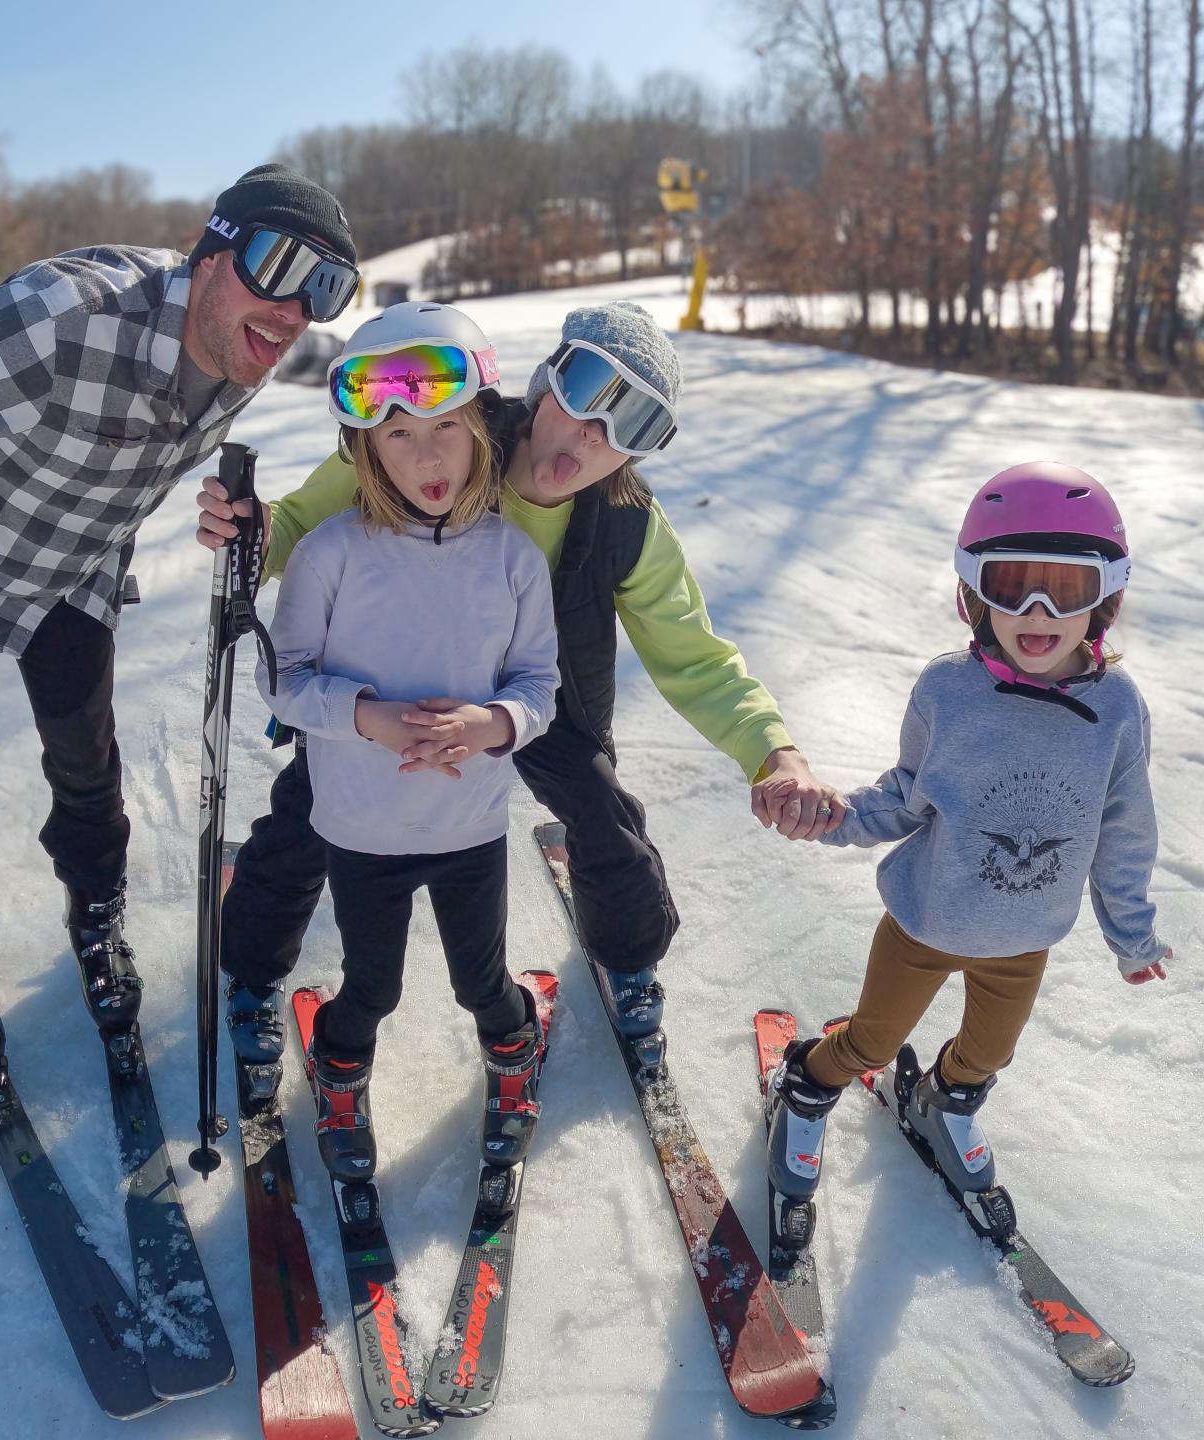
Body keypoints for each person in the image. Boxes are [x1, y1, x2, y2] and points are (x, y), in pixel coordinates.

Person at [0, 164, 359, 1073]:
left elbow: (363, 390)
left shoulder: (247, 352)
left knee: (89, 762)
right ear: (211, 251)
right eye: (279, 265)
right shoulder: (64, 315)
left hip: (71, 571)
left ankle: (96, 914)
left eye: (324, 290)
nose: (292, 312)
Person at [197, 300, 843, 1056]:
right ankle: (251, 965)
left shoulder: (627, 523)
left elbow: (695, 657)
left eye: (631, 424)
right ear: (546, 383)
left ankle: (627, 958)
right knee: (316, 807)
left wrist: (776, 754)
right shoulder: (444, 422)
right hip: (397, 686)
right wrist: (251, 531)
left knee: (602, 814)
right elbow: (307, 525)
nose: (593, 434)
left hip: (534, 694)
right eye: (587, 392)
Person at [764, 463, 1172, 1213]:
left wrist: (1132, 935)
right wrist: (830, 818)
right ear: (974, 591)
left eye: (1068, 588)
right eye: (1012, 583)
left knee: (988, 1055)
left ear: (1105, 598)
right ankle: (806, 1086)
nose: (1038, 609)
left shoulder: (1116, 709)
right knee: (869, 1045)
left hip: (1025, 941)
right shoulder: (948, 690)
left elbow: (1124, 829)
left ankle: (944, 1103)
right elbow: (908, 796)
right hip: (926, 922)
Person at [247, 301, 558, 1179]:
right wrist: (366, 715)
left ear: (484, 431)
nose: (425, 456)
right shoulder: (331, 556)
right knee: (372, 986)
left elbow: (540, 685)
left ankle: (513, 1045)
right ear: (362, 451)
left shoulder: (513, 560)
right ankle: (339, 1065)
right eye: (396, 436)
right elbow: (283, 678)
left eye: (446, 428)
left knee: (480, 983)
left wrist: (493, 723)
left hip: (470, 830)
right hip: (361, 831)